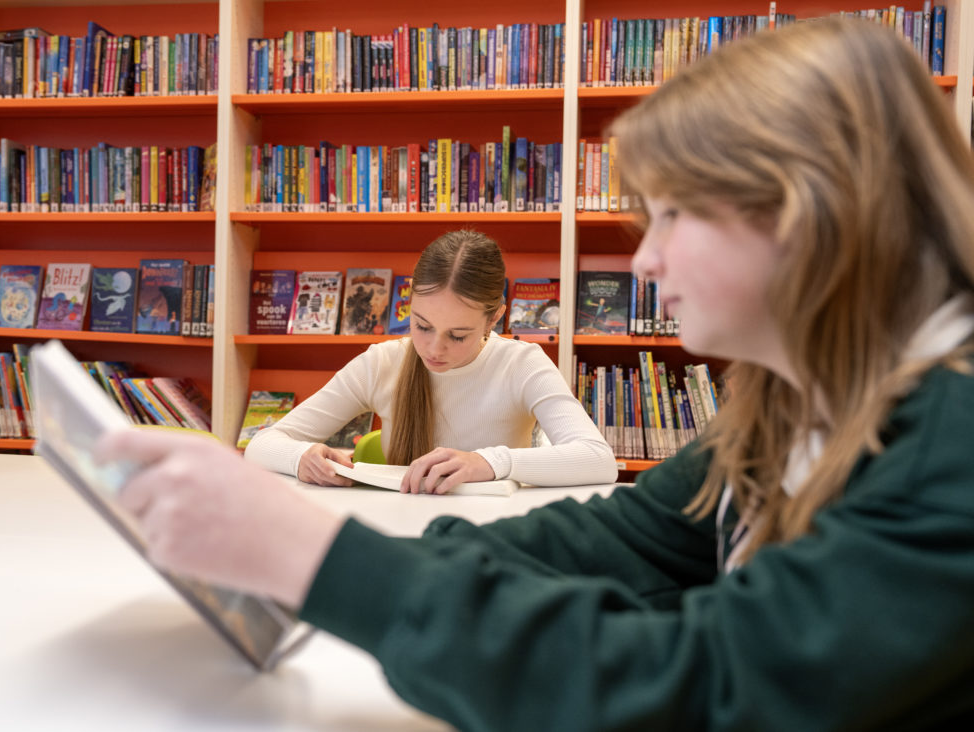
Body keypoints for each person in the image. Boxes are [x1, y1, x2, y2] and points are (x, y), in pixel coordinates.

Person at [95, 18, 974, 730]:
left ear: (813, 214)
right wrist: (346, 576)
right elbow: (627, 542)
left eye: (674, 215)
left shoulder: (954, 443)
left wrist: (320, 562)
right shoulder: (796, 400)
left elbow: (701, 688)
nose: (646, 263)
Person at [244, 229, 618, 492]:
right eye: (422, 325)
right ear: (409, 302)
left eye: (458, 335)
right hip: (400, 535)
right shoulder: (383, 362)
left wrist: (490, 463)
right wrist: (301, 457)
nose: (434, 349)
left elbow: (598, 460)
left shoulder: (521, 364)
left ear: (494, 318)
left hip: (490, 540)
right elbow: (262, 445)